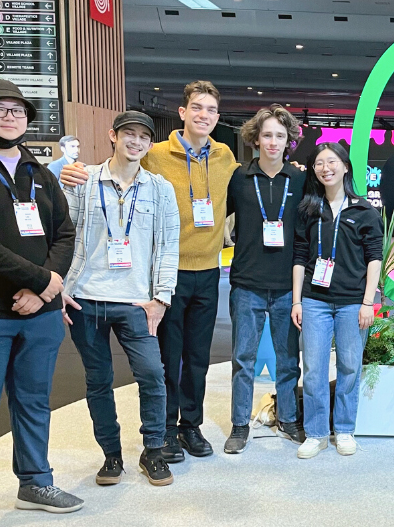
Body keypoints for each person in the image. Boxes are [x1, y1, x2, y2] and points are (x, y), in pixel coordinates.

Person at [61, 81, 239, 463]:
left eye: (210, 110)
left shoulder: (225, 156)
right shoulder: (155, 154)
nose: (203, 115)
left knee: (198, 356)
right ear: (183, 112)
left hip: (207, 269)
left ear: (217, 117)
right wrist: (74, 173)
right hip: (165, 274)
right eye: (197, 108)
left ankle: (191, 424)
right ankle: (168, 429)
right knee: (168, 354)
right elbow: (116, 169)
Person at [0, 78, 81, 527]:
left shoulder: (39, 171)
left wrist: (45, 289)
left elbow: (64, 235)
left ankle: (35, 482)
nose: (9, 118)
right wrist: (38, 280)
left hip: (40, 315)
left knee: (33, 402)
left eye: (17, 111)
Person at [60, 111, 180, 487]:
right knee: (98, 380)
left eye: (144, 137)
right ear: (113, 136)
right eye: (129, 133)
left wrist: (161, 297)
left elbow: (168, 246)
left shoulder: (160, 189)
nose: (137, 142)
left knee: (152, 375)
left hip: (136, 302)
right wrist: (60, 287)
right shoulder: (83, 180)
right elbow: (63, 234)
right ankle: (111, 455)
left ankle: (153, 450)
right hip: (85, 299)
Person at [291, 142, 383, 459]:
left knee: (349, 367)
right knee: (314, 369)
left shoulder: (364, 211)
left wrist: (368, 302)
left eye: (332, 161)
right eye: (319, 163)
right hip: (314, 301)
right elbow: (300, 257)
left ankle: (344, 430)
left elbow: (374, 258)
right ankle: (316, 433)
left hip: (352, 303)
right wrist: (297, 300)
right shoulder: (309, 210)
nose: (325, 168)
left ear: (345, 167)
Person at [223, 105, 305, 454]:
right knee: (243, 359)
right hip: (247, 283)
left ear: (288, 142)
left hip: (288, 286)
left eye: (280, 136)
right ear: (256, 138)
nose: (273, 142)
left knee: (288, 361)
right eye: (267, 135)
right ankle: (239, 424)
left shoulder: (301, 180)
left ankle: (287, 418)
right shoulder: (238, 178)